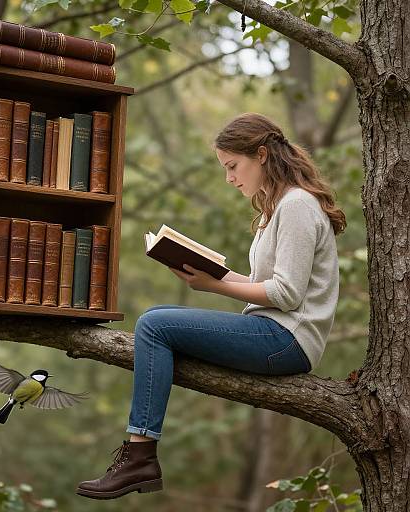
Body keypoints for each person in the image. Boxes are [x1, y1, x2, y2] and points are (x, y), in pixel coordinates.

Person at [75, 112, 346, 500]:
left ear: (263, 155)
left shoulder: (297, 205)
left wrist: (216, 286)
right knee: (153, 320)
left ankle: (140, 456)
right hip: (273, 332)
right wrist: (205, 274)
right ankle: (140, 456)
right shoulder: (277, 209)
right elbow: (261, 284)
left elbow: (286, 295)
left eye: (233, 166)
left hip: (286, 339)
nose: (230, 178)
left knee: (154, 326)